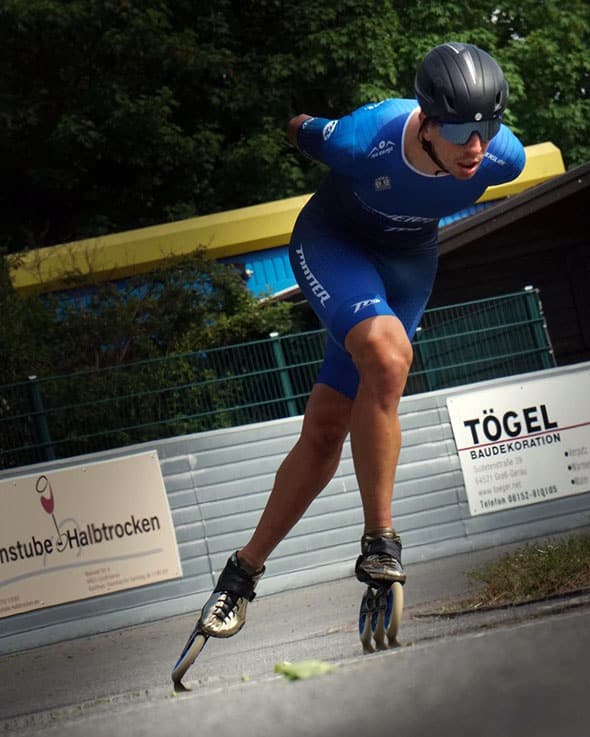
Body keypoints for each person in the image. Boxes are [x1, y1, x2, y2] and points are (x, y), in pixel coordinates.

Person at [197, 42, 526, 637]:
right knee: (388, 351)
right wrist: (278, 119)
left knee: (326, 430)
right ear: (425, 121)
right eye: (459, 130)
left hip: (406, 267)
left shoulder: (505, 159)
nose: (475, 147)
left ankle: (239, 577)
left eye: (488, 127)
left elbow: (487, 148)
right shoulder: (363, 136)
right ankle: (381, 541)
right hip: (335, 244)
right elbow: (299, 127)